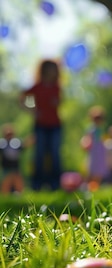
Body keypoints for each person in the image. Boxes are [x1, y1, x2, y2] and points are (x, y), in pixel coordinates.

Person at [19, 59, 63, 191]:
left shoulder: (57, 87)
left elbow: (58, 102)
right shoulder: (37, 87)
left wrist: (56, 103)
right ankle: (37, 184)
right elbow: (22, 98)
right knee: (39, 154)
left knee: (54, 154)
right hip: (41, 126)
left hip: (55, 125)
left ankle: (54, 183)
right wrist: (32, 110)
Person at [80, 106, 109, 190]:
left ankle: (96, 185)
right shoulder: (91, 128)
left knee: (99, 168)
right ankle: (87, 185)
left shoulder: (100, 129)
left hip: (100, 151)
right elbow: (87, 139)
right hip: (94, 151)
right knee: (91, 167)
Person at [0, 124, 26, 194]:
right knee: (5, 186)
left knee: (18, 184)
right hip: (6, 168)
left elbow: (24, 145)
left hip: (15, 168)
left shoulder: (16, 143)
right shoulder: (2, 144)